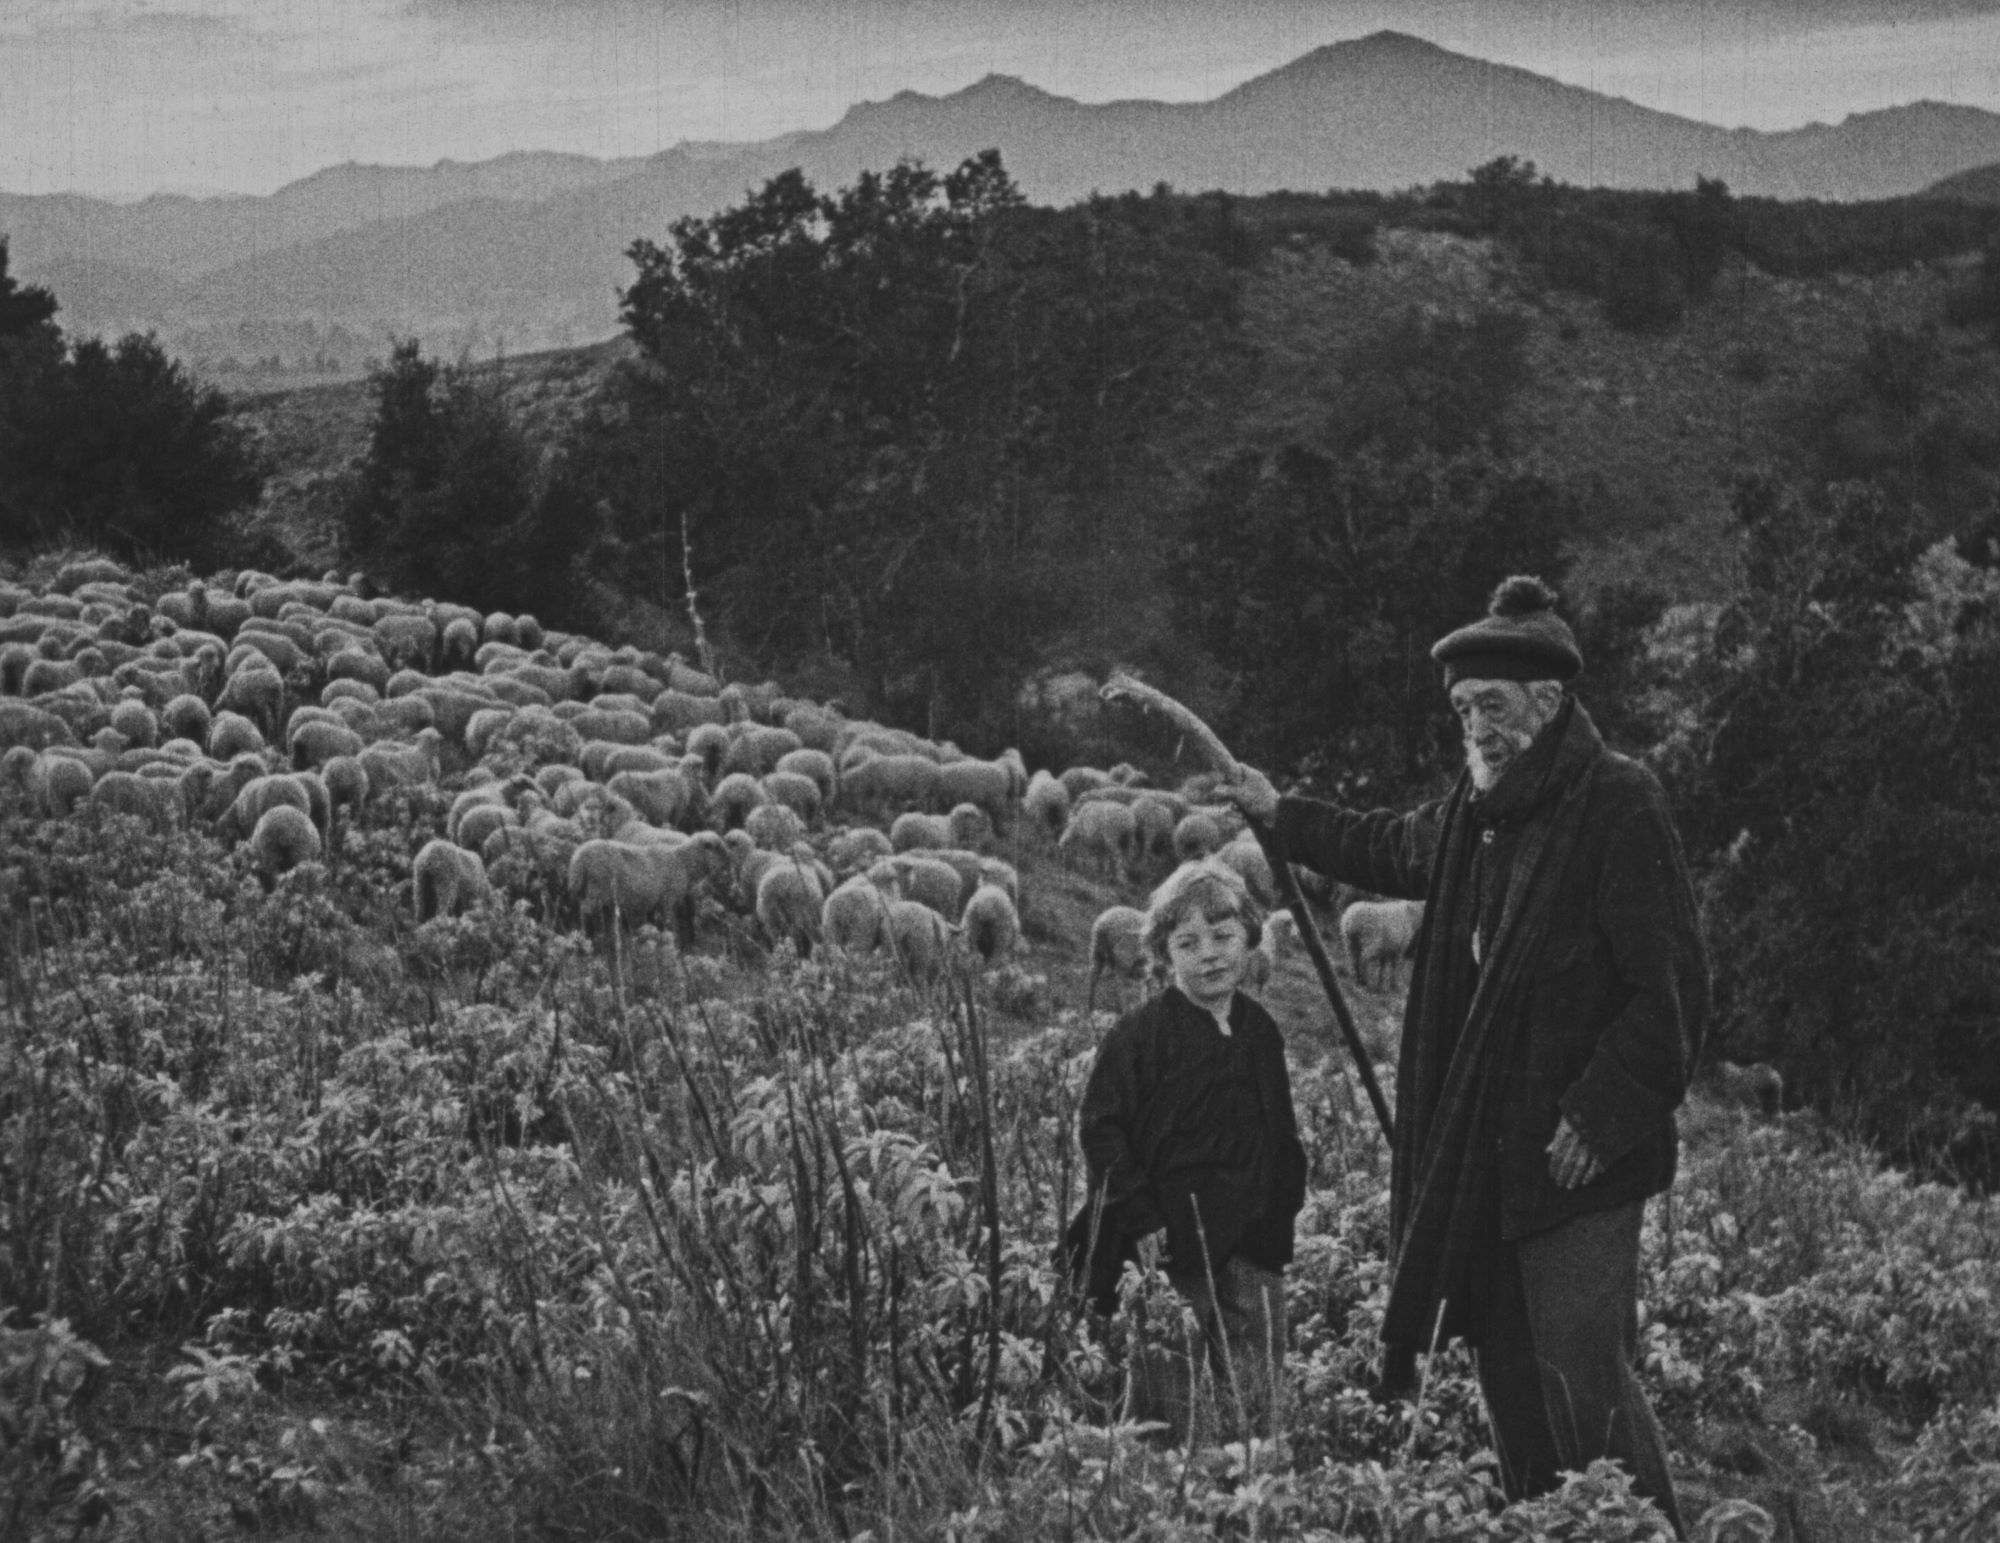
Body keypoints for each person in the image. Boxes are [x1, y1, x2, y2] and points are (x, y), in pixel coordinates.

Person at [1223, 575, 1707, 1535]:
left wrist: (1599, 1114)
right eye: (1461, 709)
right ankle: (1545, 1527)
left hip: (1579, 1157)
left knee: (1581, 1368)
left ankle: (1651, 1533)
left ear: (1550, 701)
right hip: (1485, 1150)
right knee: (1507, 1368)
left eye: (1492, 705)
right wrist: (1281, 813)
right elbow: (1384, 842)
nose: (1475, 727)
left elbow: (1673, 996)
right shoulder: (1470, 819)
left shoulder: (1618, 803)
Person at [1073, 858, 1308, 1440]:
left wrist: (1282, 1206)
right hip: (1172, 1239)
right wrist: (1141, 1216)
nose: (1210, 954)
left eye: (1224, 937)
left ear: (1250, 940)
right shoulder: (1140, 1037)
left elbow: (1281, 1132)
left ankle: (1249, 1487)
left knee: (1255, 1380)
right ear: (1162, 953)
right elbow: (1102, 1129)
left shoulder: (1259, 1031)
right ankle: (1160, 1487)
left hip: (1253, 1236)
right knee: (1165, 1377)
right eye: (1188, 942)